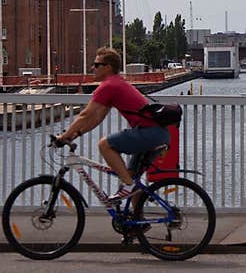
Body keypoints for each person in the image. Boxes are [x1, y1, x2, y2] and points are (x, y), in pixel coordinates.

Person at [55, 47, 170, 202]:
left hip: (149, 133)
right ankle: (136, 221)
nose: (92, 68)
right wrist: (77, 134)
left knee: (104, 145)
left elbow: (85, 114)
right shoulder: (116, 84)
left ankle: (129, 187)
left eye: (96, 65)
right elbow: (96, 118)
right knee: (130, 177)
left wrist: (64, 136)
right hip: (157, 134)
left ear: (108, 67)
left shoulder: (109, 85)